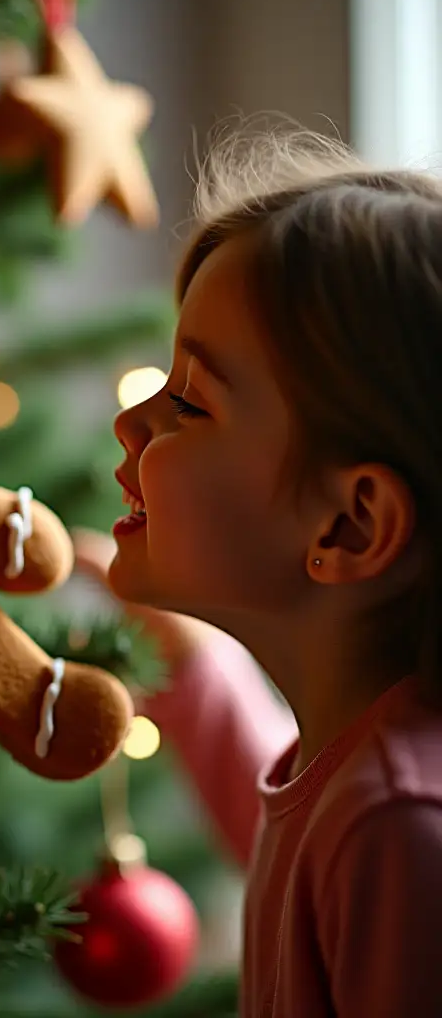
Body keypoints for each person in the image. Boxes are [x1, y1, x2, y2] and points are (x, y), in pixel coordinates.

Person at [74, 122, 442, 1017]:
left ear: (351, 526)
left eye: (191, 401)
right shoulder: (352, 770)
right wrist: (189, 660)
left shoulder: (398, 827)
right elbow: (276, 820)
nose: (134, 423)